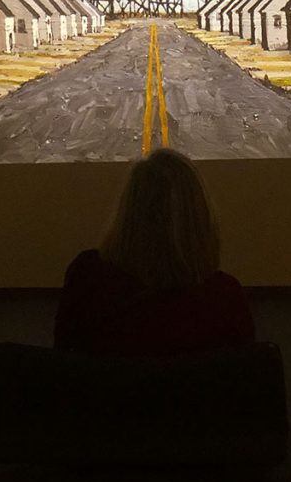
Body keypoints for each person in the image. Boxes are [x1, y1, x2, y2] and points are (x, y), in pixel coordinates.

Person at [54, 148, 255, 357]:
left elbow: (63, 366)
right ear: (200, 217)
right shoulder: (223, 298)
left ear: (127, 211)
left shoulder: (88, 279)